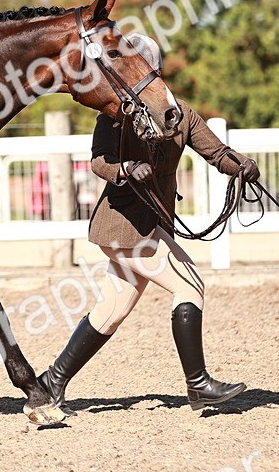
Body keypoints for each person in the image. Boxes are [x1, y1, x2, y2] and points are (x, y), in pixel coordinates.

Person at [38, 34, 260, 413]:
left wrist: (241, 166)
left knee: (113, 308)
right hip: (122, 223)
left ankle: (51, 382)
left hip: (150, 222)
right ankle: (198, 384)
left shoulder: (181, 114)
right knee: (189, 284)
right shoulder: (115, 116)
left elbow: (215, 151)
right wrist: (125, 169)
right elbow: (99, 162)